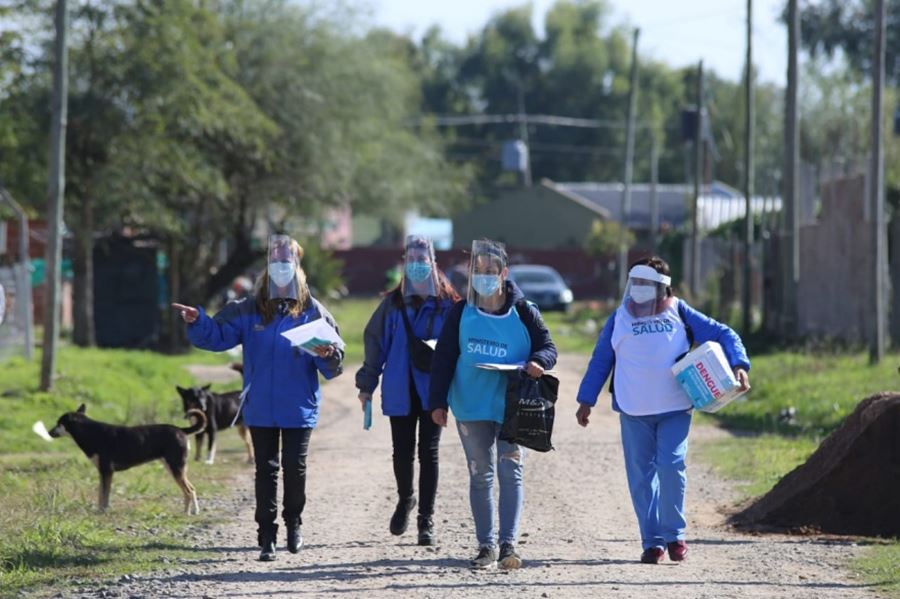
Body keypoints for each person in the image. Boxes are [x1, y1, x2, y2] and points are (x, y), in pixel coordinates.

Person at [172, 234, 344, 562]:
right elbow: (218, 336)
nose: (281, 267)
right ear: (267, 266)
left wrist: (328, 354)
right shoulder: (248, 309)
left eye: (287, 261)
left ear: (297, 266)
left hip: (298, 406)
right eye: (275, 261)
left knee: (295, 467)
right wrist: (198, 322)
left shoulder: (311, 310)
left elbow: (333, 361)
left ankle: (294, 523)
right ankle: (267, 535)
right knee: (265, 469)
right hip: (260, 406)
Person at [575, 256, 750, 564]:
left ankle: (675, 535)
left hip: (675, 407)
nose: (639, 289)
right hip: (633, 409)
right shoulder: (619, 318)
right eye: (636, 282)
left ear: (662, 287)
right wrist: (586, 399)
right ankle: (652, 541)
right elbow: (601, 359)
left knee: (671, 466)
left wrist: (739, 364)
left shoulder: (680, 312)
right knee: (641, 477)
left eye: (646, 283)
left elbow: (724, 333)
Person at [428, 239, 557, 570]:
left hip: (512, 405)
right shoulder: (462, 311)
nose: (483, 276)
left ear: (504, 273)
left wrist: (539, 361)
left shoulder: (524, 311)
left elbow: (548, 347)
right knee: (480, 474)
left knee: (511, 471)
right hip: (471, 406)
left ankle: (508, 545)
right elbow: (443, 358)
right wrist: (437, 402)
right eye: (477, 271)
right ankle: (485, 546)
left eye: (490, 271)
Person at [355, 235, 460, 546]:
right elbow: (375, 345)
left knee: (429, 453)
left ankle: (426, 520)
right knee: (401, 453)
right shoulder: (392, 304)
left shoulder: (448, 305)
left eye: (421, 260)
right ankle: (406, 498)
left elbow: (460, 347)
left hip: (434, 391)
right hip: (400, 388)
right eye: (410, 260)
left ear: (433, 263)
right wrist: (366, 384)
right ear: (404, 264)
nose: (416, 266)